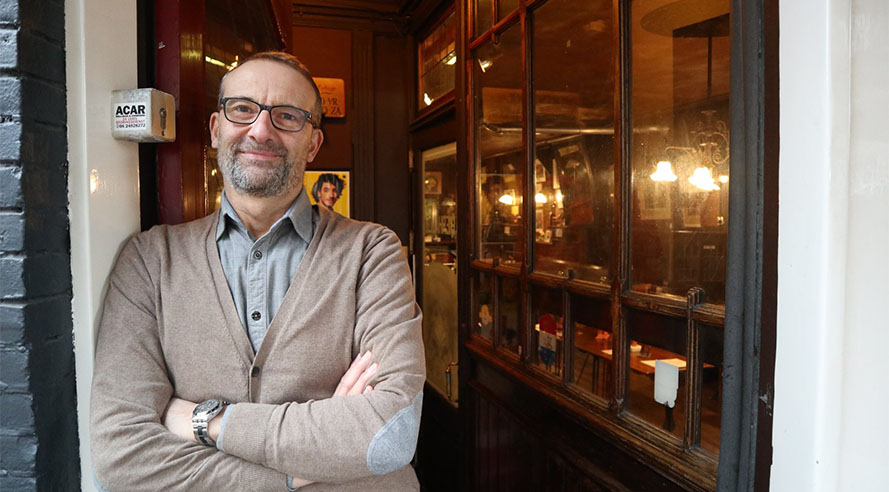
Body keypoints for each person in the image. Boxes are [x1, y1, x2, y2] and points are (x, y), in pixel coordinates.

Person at [90, 52, 425, 491]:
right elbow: (122, 453)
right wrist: (295, 474)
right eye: (242, 109)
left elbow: (390, 433)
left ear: (313, 144)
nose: (261, 130)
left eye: (287, 116)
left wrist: (206, 422)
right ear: (216, 130)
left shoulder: (371, 251)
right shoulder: (150, 260)